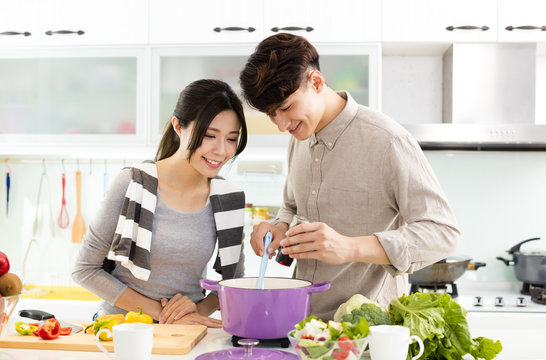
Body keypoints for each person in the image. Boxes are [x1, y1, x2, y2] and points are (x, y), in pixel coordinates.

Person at [239, 33, 460, 320]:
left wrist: (350, 247)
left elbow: (443, 232)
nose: (281, 125)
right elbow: (292, 206)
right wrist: (280, 227)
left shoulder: (387, 141)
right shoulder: (299, 137)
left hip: (368, 333)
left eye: (285, 108)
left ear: (316, 82)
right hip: (303, 326)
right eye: (271, 115)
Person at [73, 79, 248, 327]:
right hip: (121, 333)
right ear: (178, 126)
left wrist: (196, 311)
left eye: (232, 138)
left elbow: (233, 283)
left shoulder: (228, 200)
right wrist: (163, 314)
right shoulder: (134, 183)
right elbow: (85, 269)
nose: (222, 150)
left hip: (185, 335)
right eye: (209, 135)